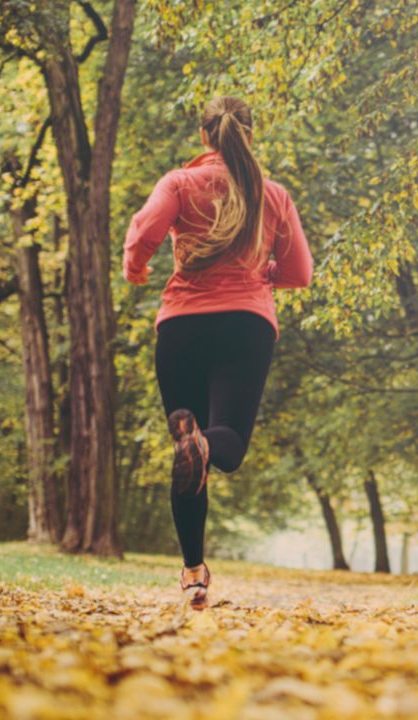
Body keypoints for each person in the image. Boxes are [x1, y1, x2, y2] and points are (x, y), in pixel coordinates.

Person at [123, 95, 312, 610]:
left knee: (188, 449)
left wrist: (136, 265)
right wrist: (263, 273)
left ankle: (193, 573)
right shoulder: (272, 196)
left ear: (204, 136)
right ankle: (204, 449)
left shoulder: (179, 184)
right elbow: (298, 274)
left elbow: (144, 231)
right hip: (245, 327)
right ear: (249, 135)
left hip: (181, 328)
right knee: (216, 446)